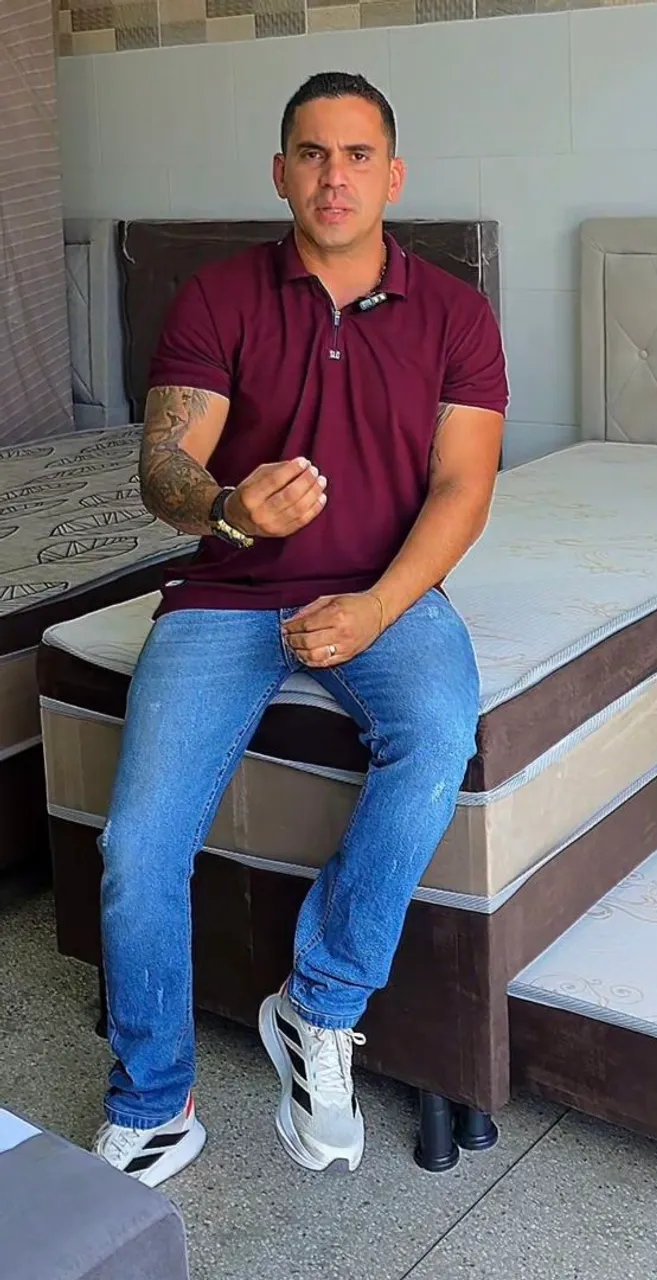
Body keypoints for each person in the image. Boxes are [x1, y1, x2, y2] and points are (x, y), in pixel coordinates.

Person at [90, 70, 508, 1188]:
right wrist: (230, 509)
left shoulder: (455, 313)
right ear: (280, 173)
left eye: (357, 154)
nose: (335, 177)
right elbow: (163, 466)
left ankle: (317, 1003)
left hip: (387, 589)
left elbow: (463, 489)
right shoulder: (217, 296)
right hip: (226, 597)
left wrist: (376, 605)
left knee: (437, 731)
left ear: (393, 175)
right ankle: (153, 1103)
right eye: (313, 154)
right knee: (136, 846)